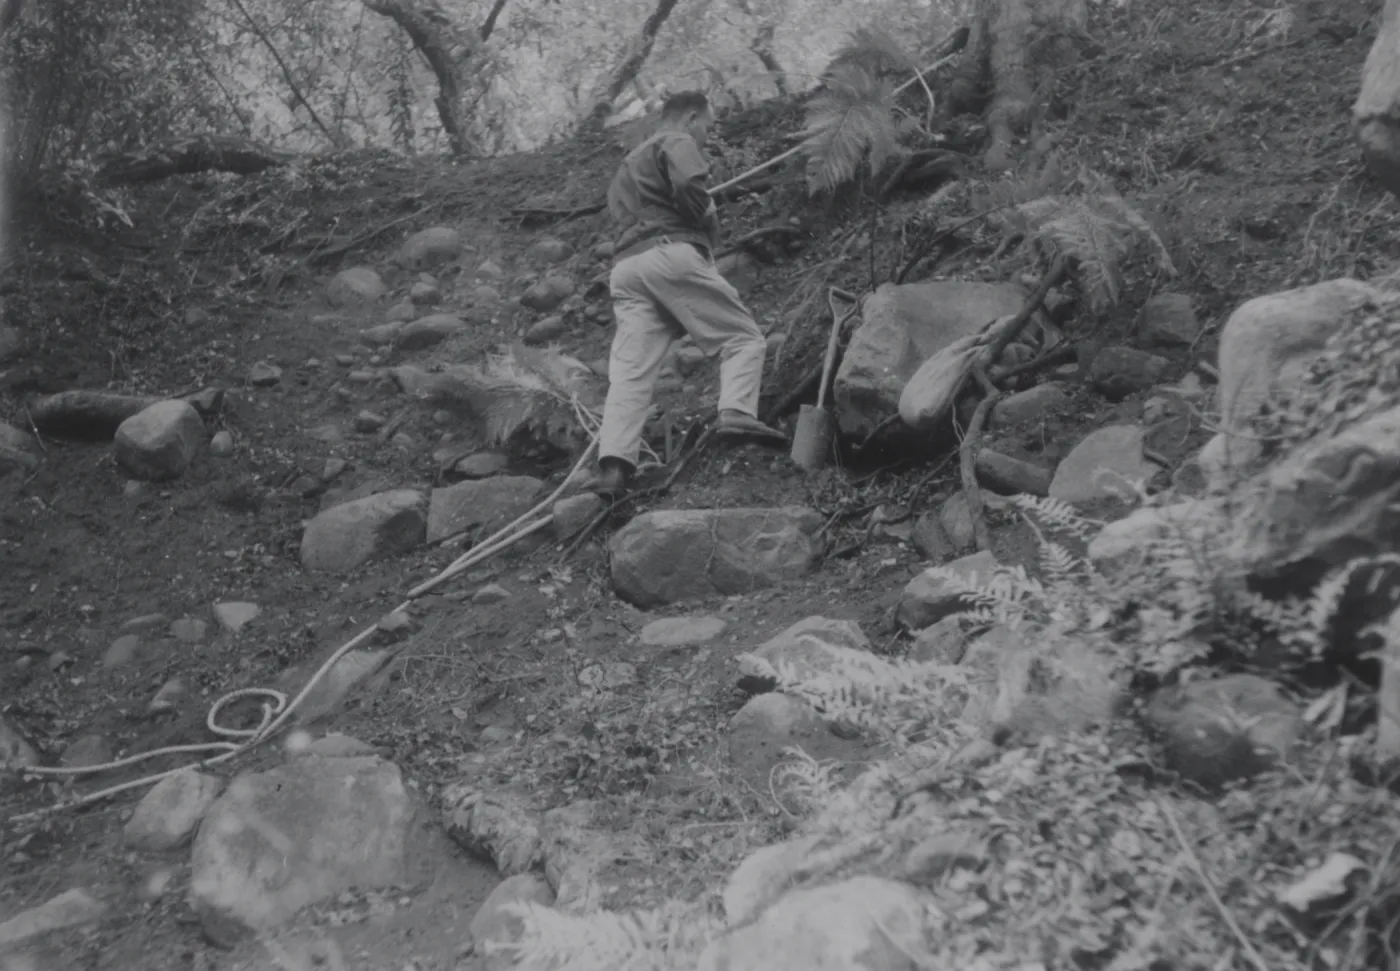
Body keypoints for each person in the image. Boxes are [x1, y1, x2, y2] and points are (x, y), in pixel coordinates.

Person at [584, 90, 786, 499]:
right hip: (667, 253)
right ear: (691, 117)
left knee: (631, 374)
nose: (708, 136)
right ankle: (736, 413)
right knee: (743, 338)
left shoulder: (628, 165)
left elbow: (625, 214)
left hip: (626, 269)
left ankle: (614, 470)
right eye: (708, 127)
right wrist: (705, 213)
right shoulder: (676, 140)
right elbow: (689, 185)